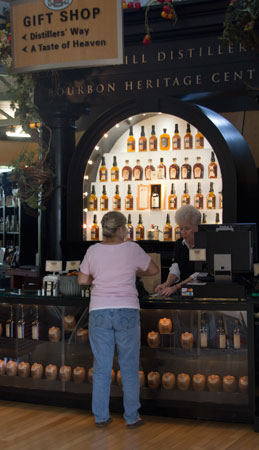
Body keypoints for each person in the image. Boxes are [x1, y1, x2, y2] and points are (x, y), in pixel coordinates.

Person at [78, 211, 158, 428]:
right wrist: (132, 272)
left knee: (102, 366)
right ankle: (132, 417)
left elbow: (82, 280)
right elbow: (153, 270)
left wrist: (100, 276)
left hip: (100, 311)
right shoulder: (131, 248)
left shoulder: (93, 250)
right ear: (122, 229)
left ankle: (101, 417)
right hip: (126, 310)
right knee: (129, 366)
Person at [155, 205, 201, 297]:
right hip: (185, 290)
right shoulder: (179, 244)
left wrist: (176, 287)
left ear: (197, 227)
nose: (183, 232)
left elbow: (199, 273)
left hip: (201, 291)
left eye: (187, 228)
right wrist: (166, 284)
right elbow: (175, 268)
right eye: (181, 229)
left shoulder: (204, 244)